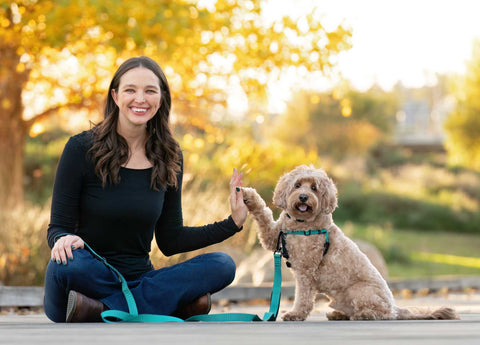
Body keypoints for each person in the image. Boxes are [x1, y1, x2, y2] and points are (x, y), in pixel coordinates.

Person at [43, 56, 247, 323]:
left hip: (138, 276)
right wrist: (63, 240)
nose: (140, 99)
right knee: (68, 264)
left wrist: (233, 223)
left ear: (161, 98)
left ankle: (100, 309)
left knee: (222, 265)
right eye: (130, 90)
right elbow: (57, 228)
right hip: (84, 277)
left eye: (150, 91)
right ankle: (156, 305)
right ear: (115, 96)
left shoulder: (169, 155)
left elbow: (171, 240)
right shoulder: (81, 149)